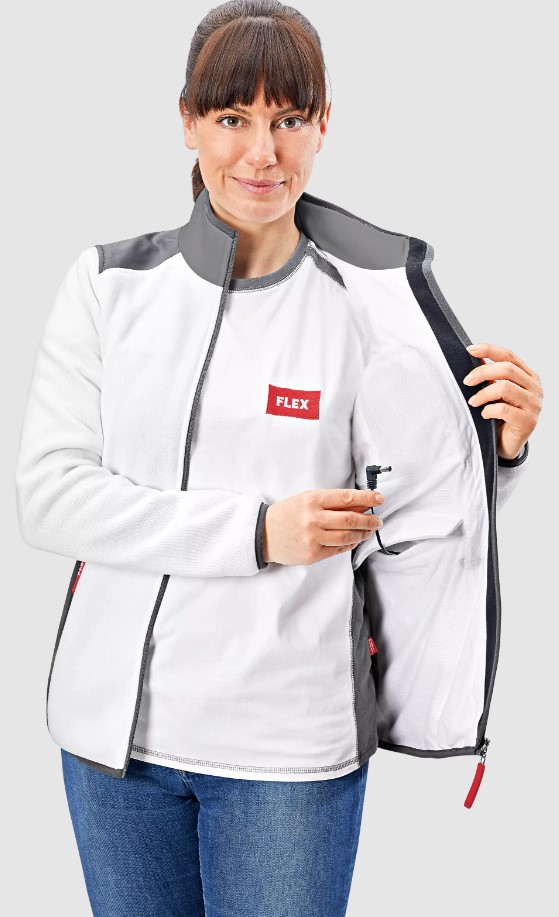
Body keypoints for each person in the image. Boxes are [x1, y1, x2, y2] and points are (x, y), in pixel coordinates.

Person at [14, 1, 542, 915]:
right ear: (187, 121)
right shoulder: (107, 286)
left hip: (287, 752)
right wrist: (260, 531)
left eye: (288, 119)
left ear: (324, 124)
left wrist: (497, 448)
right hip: (112, 749)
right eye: (232, 118)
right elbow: (51, 497)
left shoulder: (372, 311)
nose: (262, 153)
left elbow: (414, 514)